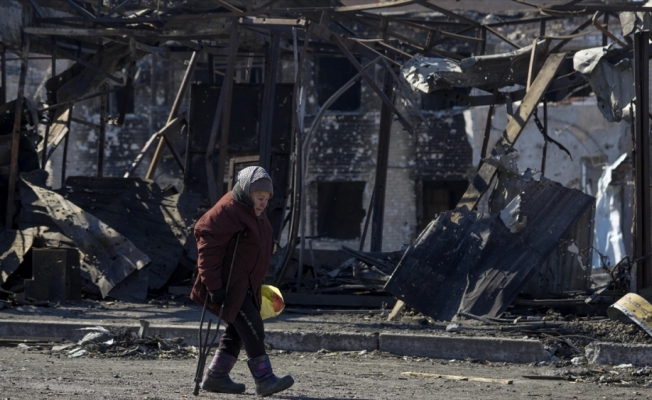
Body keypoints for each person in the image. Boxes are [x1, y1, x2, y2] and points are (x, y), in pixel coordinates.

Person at [190, 166, 294, 397]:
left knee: (237, 331)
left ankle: (216, 377)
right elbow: (207, 246)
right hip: (228, 285)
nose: (263, 203)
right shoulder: (228, 210)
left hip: (246, 284)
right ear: (246, 192)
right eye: (259, 198)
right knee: (253, 328)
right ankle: (265, 379)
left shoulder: (252, 209)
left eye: (267, 199)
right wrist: (213, 286)